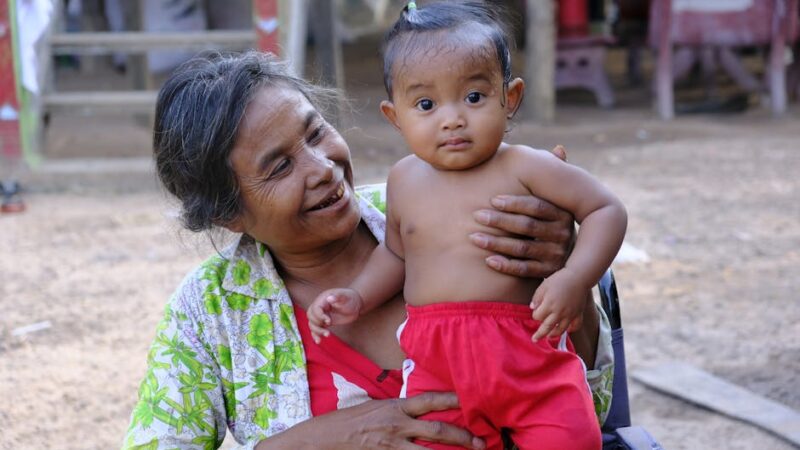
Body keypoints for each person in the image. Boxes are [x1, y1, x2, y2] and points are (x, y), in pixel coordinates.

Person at [123, 50, 615, 450]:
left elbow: (589, 408)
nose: (322, 168)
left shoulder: (441, 211)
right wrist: (309, 443)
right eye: (278, 168)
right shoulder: (211, 310)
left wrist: (568, 271)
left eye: (316, 133)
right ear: (227, 215)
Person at [306, 2, 627, 449]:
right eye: (425, 104)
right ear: (395, 116)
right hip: (439, 368)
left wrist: (575, 277)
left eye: (473, 97)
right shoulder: (404, 180)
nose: (452, 118)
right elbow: (397, 254)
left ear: (509, 98)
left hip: (528, 353)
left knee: (572, 437)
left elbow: (606, 210)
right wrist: (357, 295)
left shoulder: (525, 167)